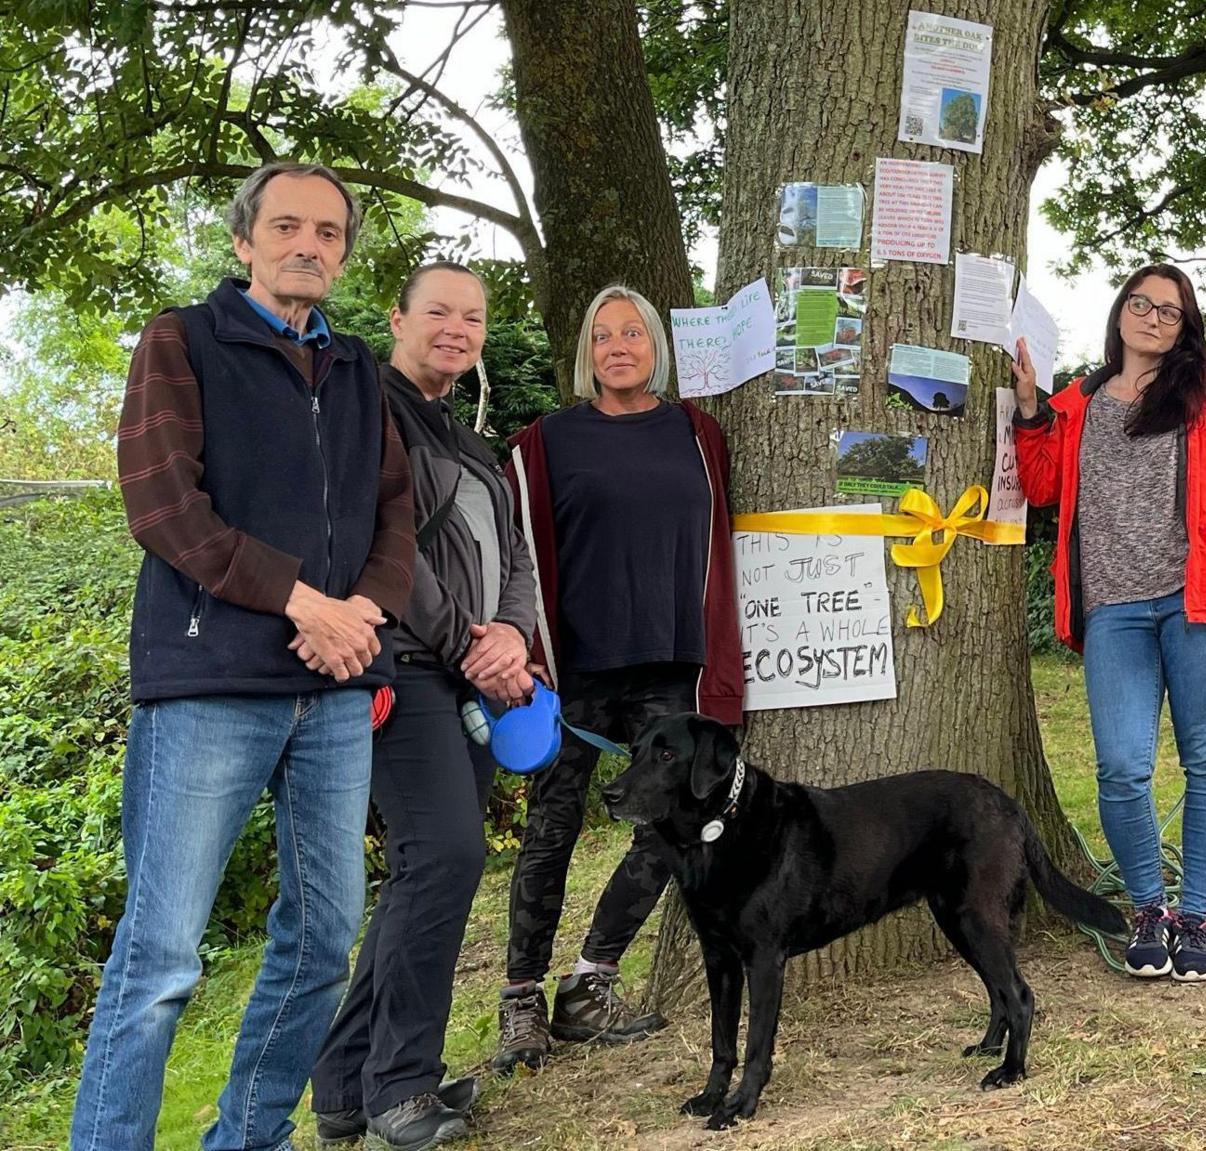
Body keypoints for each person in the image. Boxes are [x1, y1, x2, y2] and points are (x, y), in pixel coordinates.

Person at [72, 162, 415, 1151]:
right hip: (209, 686)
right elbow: (163, 505)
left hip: (336, 690)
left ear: (344, 252)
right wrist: (302, 598)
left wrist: (359, 611)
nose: (309, 244)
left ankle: (249, 1137)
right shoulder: (181, 341)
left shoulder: (358, 369)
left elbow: (397, 512)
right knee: (163, 954)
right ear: (244, 242)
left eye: (329, 232)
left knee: (320, 943)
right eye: (287, 227)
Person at [308, 262, 535, 1148]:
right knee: (444, 856)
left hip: (471, 672)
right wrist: (470, 648)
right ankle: (401, 1087)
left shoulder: (472, 439)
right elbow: (385, 546)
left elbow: (513, 552)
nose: (457, 328)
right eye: (437, 311)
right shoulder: (369, 412)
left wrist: (512, 636)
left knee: (425, 869)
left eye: (472, 317)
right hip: (404, 667)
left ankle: (342, 1086)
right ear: (397, 318)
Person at [493, 284, 744, 1072]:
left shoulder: (698, 434)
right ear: (586, 353)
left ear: (656, 346)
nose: (618, 347)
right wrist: (521, 644)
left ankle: (590, 980)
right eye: (602, 336)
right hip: (571, 671)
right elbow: (514, 551)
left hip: (670, 666)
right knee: (551, 830)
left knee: (672, 827)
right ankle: (521, 998)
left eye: (632, 332)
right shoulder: (546, 442)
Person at [1009, 264, 1206, 983]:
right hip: (1115, 611)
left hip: (1201, 604)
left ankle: (1196, 916)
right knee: (1123, 767)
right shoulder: (1078, 402)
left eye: (1171, 311)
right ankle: (1150, 909)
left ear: (1186, 328)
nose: (1153, 317)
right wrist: (1031, 408)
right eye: (1141, 303)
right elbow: (1040, 486)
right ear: (1120, 311)